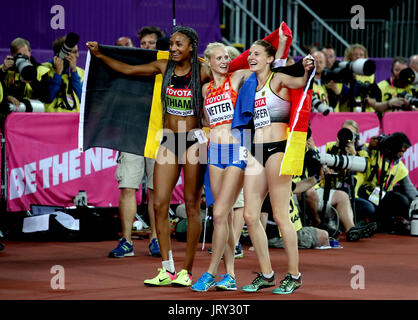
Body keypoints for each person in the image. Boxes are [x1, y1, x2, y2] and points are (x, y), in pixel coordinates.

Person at [87, 25, 209, 287]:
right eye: (172, 45)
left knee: (191, 205)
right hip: (169, 140)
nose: (173, 49)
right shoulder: (163, 67)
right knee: (158, 204)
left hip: (193, 142)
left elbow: (232, 74)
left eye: (179, 45)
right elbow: (128, 70)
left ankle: (187, 270)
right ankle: (167, 268)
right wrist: (100, 55)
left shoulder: (203, 71)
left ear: (191, 47)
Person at [232, 39, 314, 294]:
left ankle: (294, 274)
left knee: (280, 215)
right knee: (249, 215)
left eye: (257, 53)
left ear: (270, 58)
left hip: (278, 149)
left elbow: (302, 82)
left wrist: (308, 66)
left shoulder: (278, 79)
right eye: (250, 54)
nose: (251, 56)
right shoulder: (250, 85)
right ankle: (267, 274)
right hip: (256, 151)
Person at [191, 42, 251, 292]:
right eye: (220, 58)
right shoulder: (205, 89)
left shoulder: (236, 78)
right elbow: (206, 120)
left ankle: (210, 273)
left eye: (227, 57)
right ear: (209, 61)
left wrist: (278, 40)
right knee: (221, 215)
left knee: (218, 215)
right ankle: (231, 276)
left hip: (236, 151)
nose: (225, 61)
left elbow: (250, 61)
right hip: (214, 153)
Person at [106, 32, 161, 259]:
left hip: (158, 136)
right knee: (128, 187)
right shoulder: (128, 68)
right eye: (143, 43)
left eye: (151, 43)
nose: (146, 46)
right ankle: (126, 241)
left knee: (156, 192)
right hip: (131, 135)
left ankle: (157, 239)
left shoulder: (166, 68)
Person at [357, 132, 418, 233]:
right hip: (364, 194)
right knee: (369, 208)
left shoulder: (399, 166)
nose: (402, 155)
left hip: (382, 197)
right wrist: (369, 147)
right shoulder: (371, 152)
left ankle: (389, 224)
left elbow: (409, 188)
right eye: (401, 151)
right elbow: (357, 152)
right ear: (393, 148)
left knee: (402, 201)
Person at [0, 38, 50, 113]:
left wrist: (30, 76)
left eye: (25, 56)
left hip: (32, 117)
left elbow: (46, 97)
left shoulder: (41, 70)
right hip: (9, 117)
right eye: (19, 56)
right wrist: (3, 71)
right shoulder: (4, 69)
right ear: (12, 55)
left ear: (30, 52)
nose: (22, 59)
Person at [42, 35, 84, 112]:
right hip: (49, 120)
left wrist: (74, 71)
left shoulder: (81, 72)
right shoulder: (44, 70)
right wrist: (58, 74)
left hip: (73, 120)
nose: (77, 56)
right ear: (63, 54)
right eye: (74, 52)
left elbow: (82, 98)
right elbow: (48, 98)